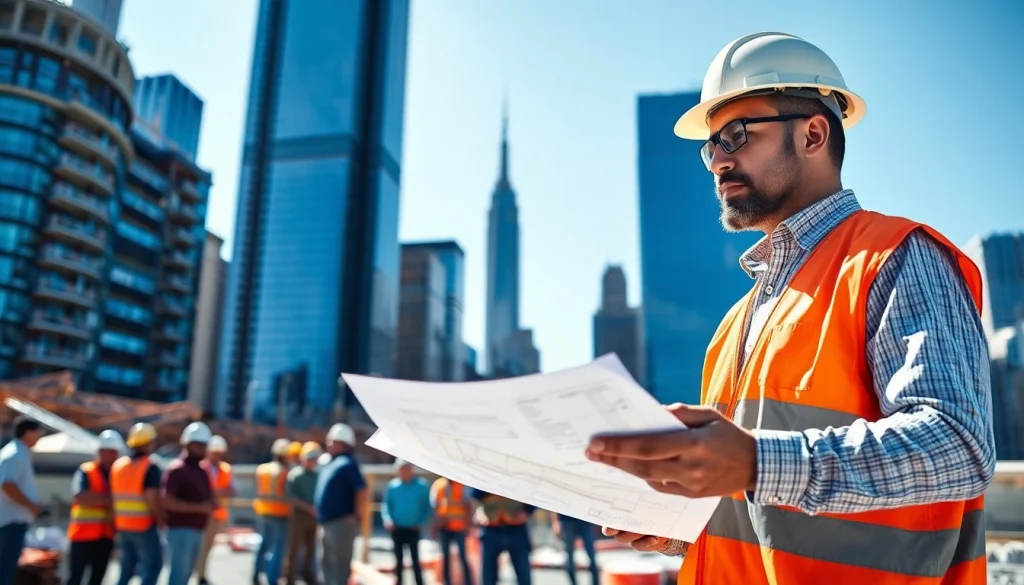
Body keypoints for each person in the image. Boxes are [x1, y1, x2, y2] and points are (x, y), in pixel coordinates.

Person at [584, 31, 995, 584]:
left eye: (736, 135)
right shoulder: (735, 325)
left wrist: (756, 462)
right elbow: (758, 499)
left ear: (814, 133)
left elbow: (959, 446)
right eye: (712, 146)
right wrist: (683, 524)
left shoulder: (895, 258)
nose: (717, 162)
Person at [66, 429, 125, 585]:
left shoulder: (118, 474)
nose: (111, 455)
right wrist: (109, 500)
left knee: (97, 579)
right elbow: (81, 496)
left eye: (113, 452)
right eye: (107, 451)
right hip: (82, 535)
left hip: (106, 536)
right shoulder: (86, 471)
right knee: (75, 578)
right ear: (99, 451)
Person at [111, 422, 164, 585]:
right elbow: (152, 498)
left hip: (123, 525)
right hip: (143, 525)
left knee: (126, 568)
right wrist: (161, 518)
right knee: (152, 566)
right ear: (149, 442)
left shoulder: (118, 465)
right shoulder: (150, 466)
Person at [163, 422, 216, 585]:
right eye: (198, 445)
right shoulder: (177, 469)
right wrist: (199, 508)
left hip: (197, 529)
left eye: (204, 445)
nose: (202, 449)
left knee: (186, 574)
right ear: (187, 444)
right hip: (181, 530)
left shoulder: (201, 470)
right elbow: (167, 501)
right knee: (178, 576)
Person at [315, 423, 367, 585]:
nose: (328, 444)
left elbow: (361, 490)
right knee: (327, 562)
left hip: (341, 522)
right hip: (327, 521)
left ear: (341, 442)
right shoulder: (331, 462)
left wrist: (356, 515)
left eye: (332, 441)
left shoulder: (348, 464)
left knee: (340, 564)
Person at [0, 417, 43, 584]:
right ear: (29, 433)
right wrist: (32, 506)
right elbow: (7, 485)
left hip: (10, 520)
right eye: (38, 432)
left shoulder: (17, 452)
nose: (40, 436)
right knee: (5, 568)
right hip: (11, 521)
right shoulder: (16, 454)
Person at [381, 460, 433, 585]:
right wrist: (388, 519)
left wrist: (421, 522)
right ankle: (399, 581)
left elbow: (427, 507)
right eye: (401, 469)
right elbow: (387, 505)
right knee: (398, 559)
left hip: (413, 528)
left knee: (415, 559)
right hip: (397, 528)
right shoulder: (393, 486)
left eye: (406, 469)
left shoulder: (421, 486)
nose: (404, 472)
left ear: (411, 470)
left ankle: (419, 582)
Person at [253, 438, 294, 585]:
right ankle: (272, 579)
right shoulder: (285, 472)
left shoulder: (262, 469)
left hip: (263, 511)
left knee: (264, 544)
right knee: (278, 548)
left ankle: (256, 575)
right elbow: (287, 495)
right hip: (280, 513)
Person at [196, 434, 236, 585]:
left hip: (217, 514)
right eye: (215, 453)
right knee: (201, 547)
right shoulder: (202, 467)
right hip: (203, 512)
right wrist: (218, 491)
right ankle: (200, 575)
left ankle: (201, 574)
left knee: (207, 547)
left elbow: (232, 490)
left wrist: (214, 492)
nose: (217, 456)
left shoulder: (225, 469)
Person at [469, 490, 532, 585]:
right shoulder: (487, 477)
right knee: (488, 577)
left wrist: (528, 512)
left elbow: (534, 492)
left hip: (516, 529)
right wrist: (478, 512)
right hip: (491, 529)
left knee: (524, 577)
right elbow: (474, 495)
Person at [286, 441, 322, 585]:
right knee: (294, 548)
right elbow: (291, 498)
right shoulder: (295, 476)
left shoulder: (317, 476)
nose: (312, 462)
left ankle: (308, 575)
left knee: (311, 548)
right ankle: (290, 577)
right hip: (299, 516)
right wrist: (308, 507)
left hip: (313, 517)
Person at [429, 476, 473, 585]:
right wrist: (435, 527)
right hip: (444, 528)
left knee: (463, 557)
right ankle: (446, 582)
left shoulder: (462, 485)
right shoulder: (438, 485)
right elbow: (435, 508)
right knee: (445, 558)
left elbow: (468, 506)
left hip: (459, 528)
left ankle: (468, 582)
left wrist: (468, 526)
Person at [551, 514, 598, 585]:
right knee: (569, 557)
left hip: (585, 519)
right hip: (567, 520)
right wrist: (555, 522)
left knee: (592, 556)